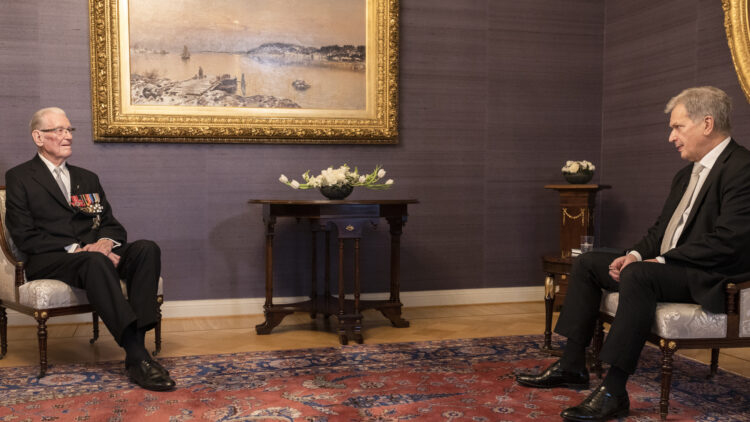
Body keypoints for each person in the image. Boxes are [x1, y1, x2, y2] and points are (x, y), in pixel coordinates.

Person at [516, 86, 750, 421]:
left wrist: (661, 262)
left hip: (709, 275)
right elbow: (660, 230)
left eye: (677, 127)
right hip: (668, 267)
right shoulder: (686, 174)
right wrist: (637, 254)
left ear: (707, 124)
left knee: (639, 275)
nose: (671, 137)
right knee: (589, 261)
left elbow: (730, 242)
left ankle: (614, 390)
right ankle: (571, 365)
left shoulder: (742, 169)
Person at [4, 107, 176, 392]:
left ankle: (138, 345)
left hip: (95, 255)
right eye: (58, 130)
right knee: (94, 261)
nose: (67, 136)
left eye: (69, 130)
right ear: (38, 137)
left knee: (147, 249)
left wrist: (106, 242)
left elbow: (111, 224)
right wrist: (79, 248)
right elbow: (24, 235)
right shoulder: (19, 177)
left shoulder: (88, 177)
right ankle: (137, 357)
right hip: (51, 258)